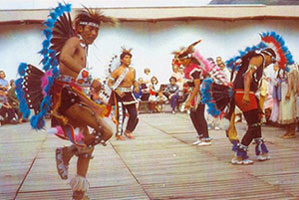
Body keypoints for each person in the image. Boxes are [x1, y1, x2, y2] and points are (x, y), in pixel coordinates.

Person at [15, 4, 115, 200]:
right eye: (90, 29)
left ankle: (79, 192)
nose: (94, 33)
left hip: (74, 94)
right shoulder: (74, 40)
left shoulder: (82, 47)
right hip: (67, 96)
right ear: (79, 28)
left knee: (86, 142)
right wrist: (86, 74)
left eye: (97, 30)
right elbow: (64, 59)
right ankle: (67, 152)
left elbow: (74, 71)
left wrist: (90, 85)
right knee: (106, 131)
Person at [172, 40, 217, 146]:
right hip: (193, 92)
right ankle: (201, 136)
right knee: (193, 115)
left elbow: (197, 86)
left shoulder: (195, 69)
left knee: (199, 115)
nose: (181, 63)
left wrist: (190, 100)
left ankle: (206, 138)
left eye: (183, 60)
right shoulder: (188, 68)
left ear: (188, 59)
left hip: (199, 93)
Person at [108, 49, 139, 140]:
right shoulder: (117, 71)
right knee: (121, 115)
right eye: (126, 57)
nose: (128, 60)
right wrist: (117, 90)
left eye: (129, 58)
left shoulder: (132, 70)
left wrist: (136, 86)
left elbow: (134, 81)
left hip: (129, 94)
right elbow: (109, 82)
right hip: (120, 95)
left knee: (134, 114)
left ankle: (128, 130)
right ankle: (119, 134)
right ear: (121, 59)